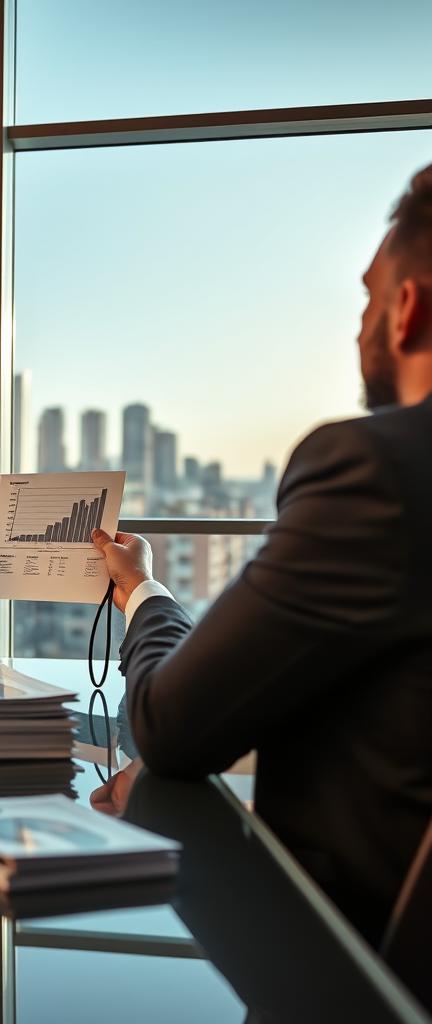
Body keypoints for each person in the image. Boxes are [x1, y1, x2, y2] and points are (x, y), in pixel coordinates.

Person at [90, 165, 432, 946]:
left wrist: (141, 589)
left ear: (407, 310)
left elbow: (171, 726)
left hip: (345, 962)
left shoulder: (375, 471)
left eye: (368, 299)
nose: (358, 328)